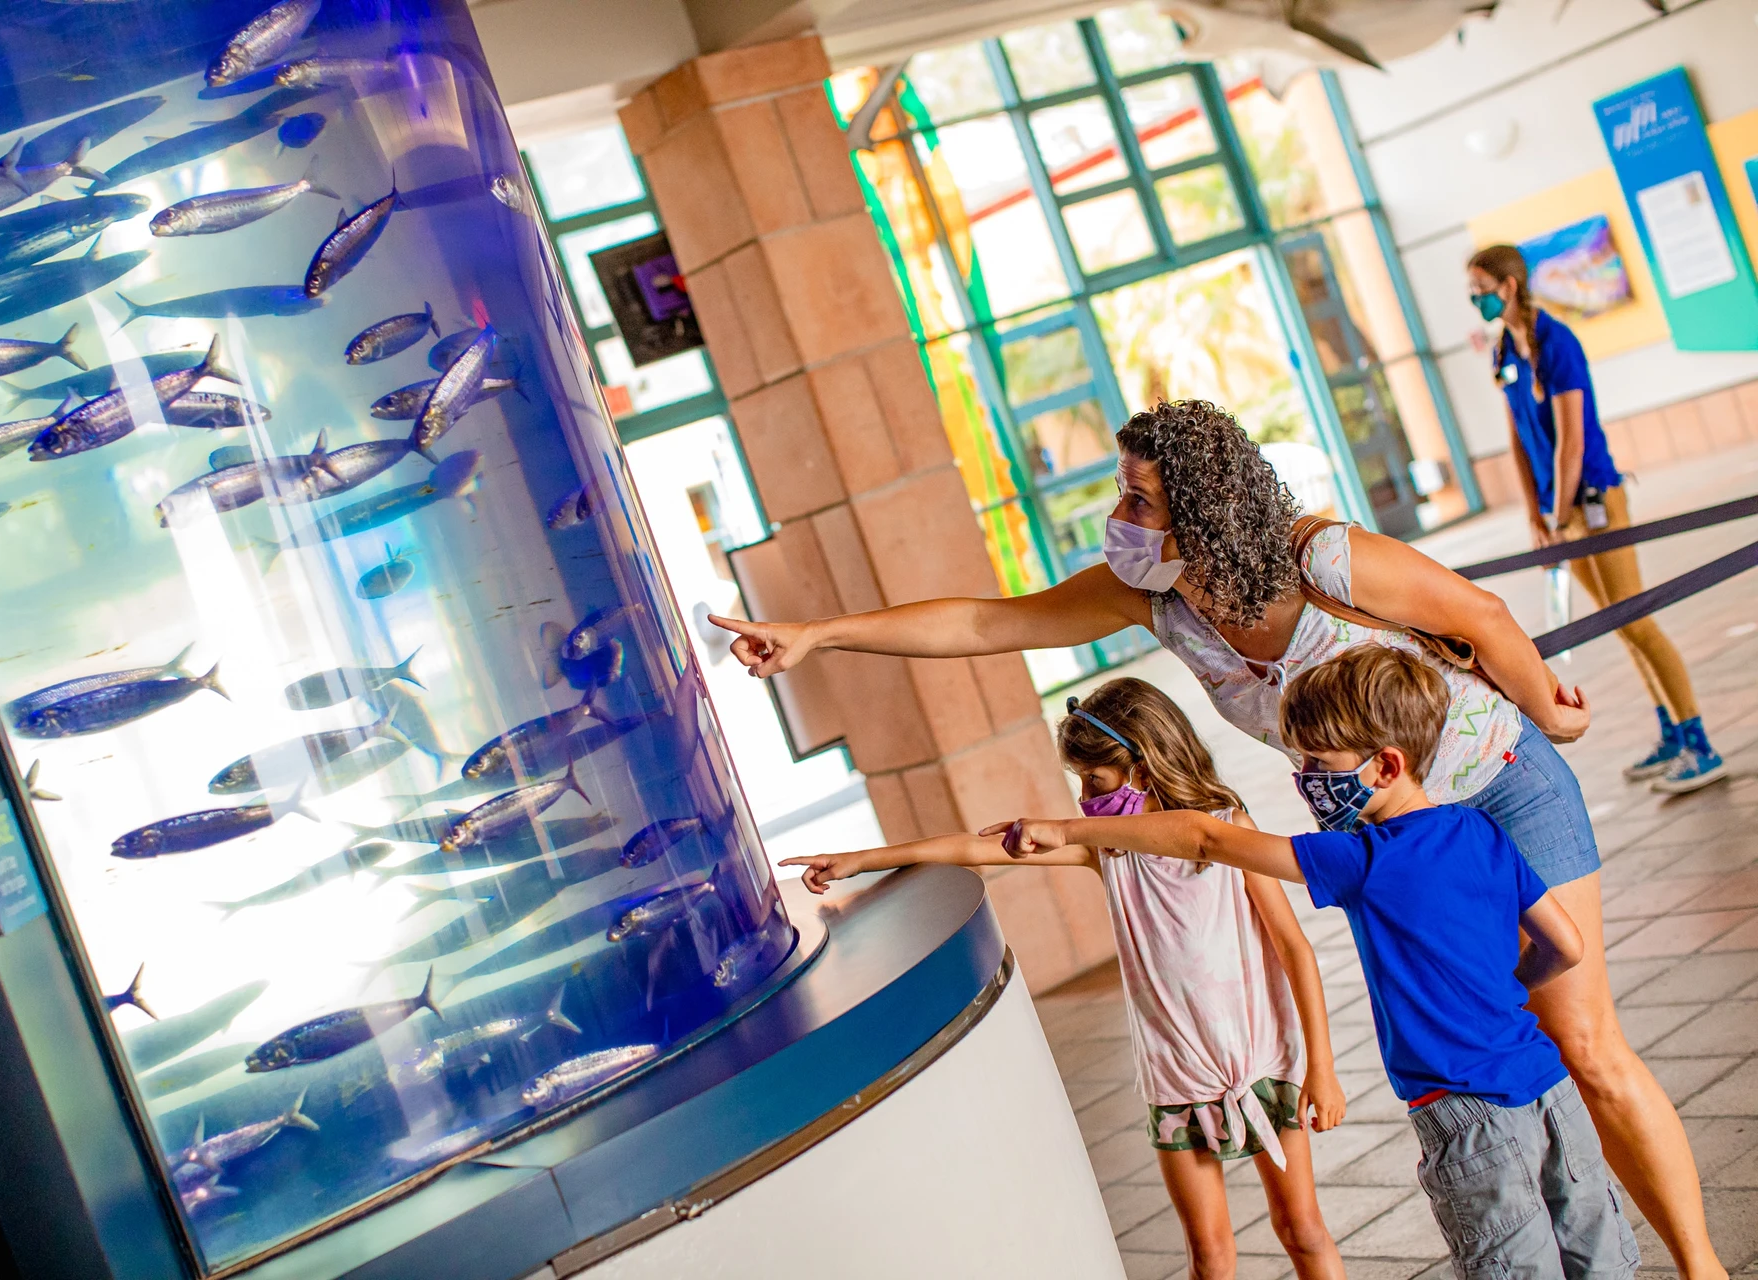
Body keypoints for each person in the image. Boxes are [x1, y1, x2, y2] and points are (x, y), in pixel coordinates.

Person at [710, 398, 1724, 1280]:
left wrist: (1556, 711)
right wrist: (819, 635)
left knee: (1582, 1043)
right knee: (1504, 1053)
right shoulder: (1156, 596)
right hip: (1394, 841)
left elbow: (1482, 613)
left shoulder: (1317, 557)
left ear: (1203, 511)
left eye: (1139, 499)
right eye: (1122, 492)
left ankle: (1698, 1263)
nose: (1120, 517)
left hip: (1499, 788)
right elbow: (986, 622)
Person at [987, 646, 1639, 1280]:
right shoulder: (1482, 832)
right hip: (1552, 1095)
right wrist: (1505, 992)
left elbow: (1205, 835)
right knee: (1599, 1257)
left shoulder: (1361, 860)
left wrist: (1070, 830)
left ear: (1385, 766)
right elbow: (1567, 945)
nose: (1305, 779)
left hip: (1468, 1114)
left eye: (1318, 763)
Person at [783, 677, 1348, 1280]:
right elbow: (976, 849)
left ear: (1142, 766)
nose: (1084, 799)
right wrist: (860, 860)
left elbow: (1294, 948)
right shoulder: (1103, 850)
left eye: (1095, 781)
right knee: (1209, 1259)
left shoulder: (1225, 825)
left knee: (1301, 1230)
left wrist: (1323, 1068)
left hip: (1263, 1059)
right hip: (1177, 1078)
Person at [1468, 244, 1724, 794]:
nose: (1475, 299)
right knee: (1615, 621)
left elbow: (1571, 442)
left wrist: (1558, 514)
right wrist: (1534, 513)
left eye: (1481, 288)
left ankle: (1700, 743)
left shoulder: (1556, 342)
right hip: (1558, 512)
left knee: (1637, 617)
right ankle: (1671, 733)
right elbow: (1517, 436)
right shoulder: (1503, 352)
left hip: (1591, 502)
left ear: (1508, 286)